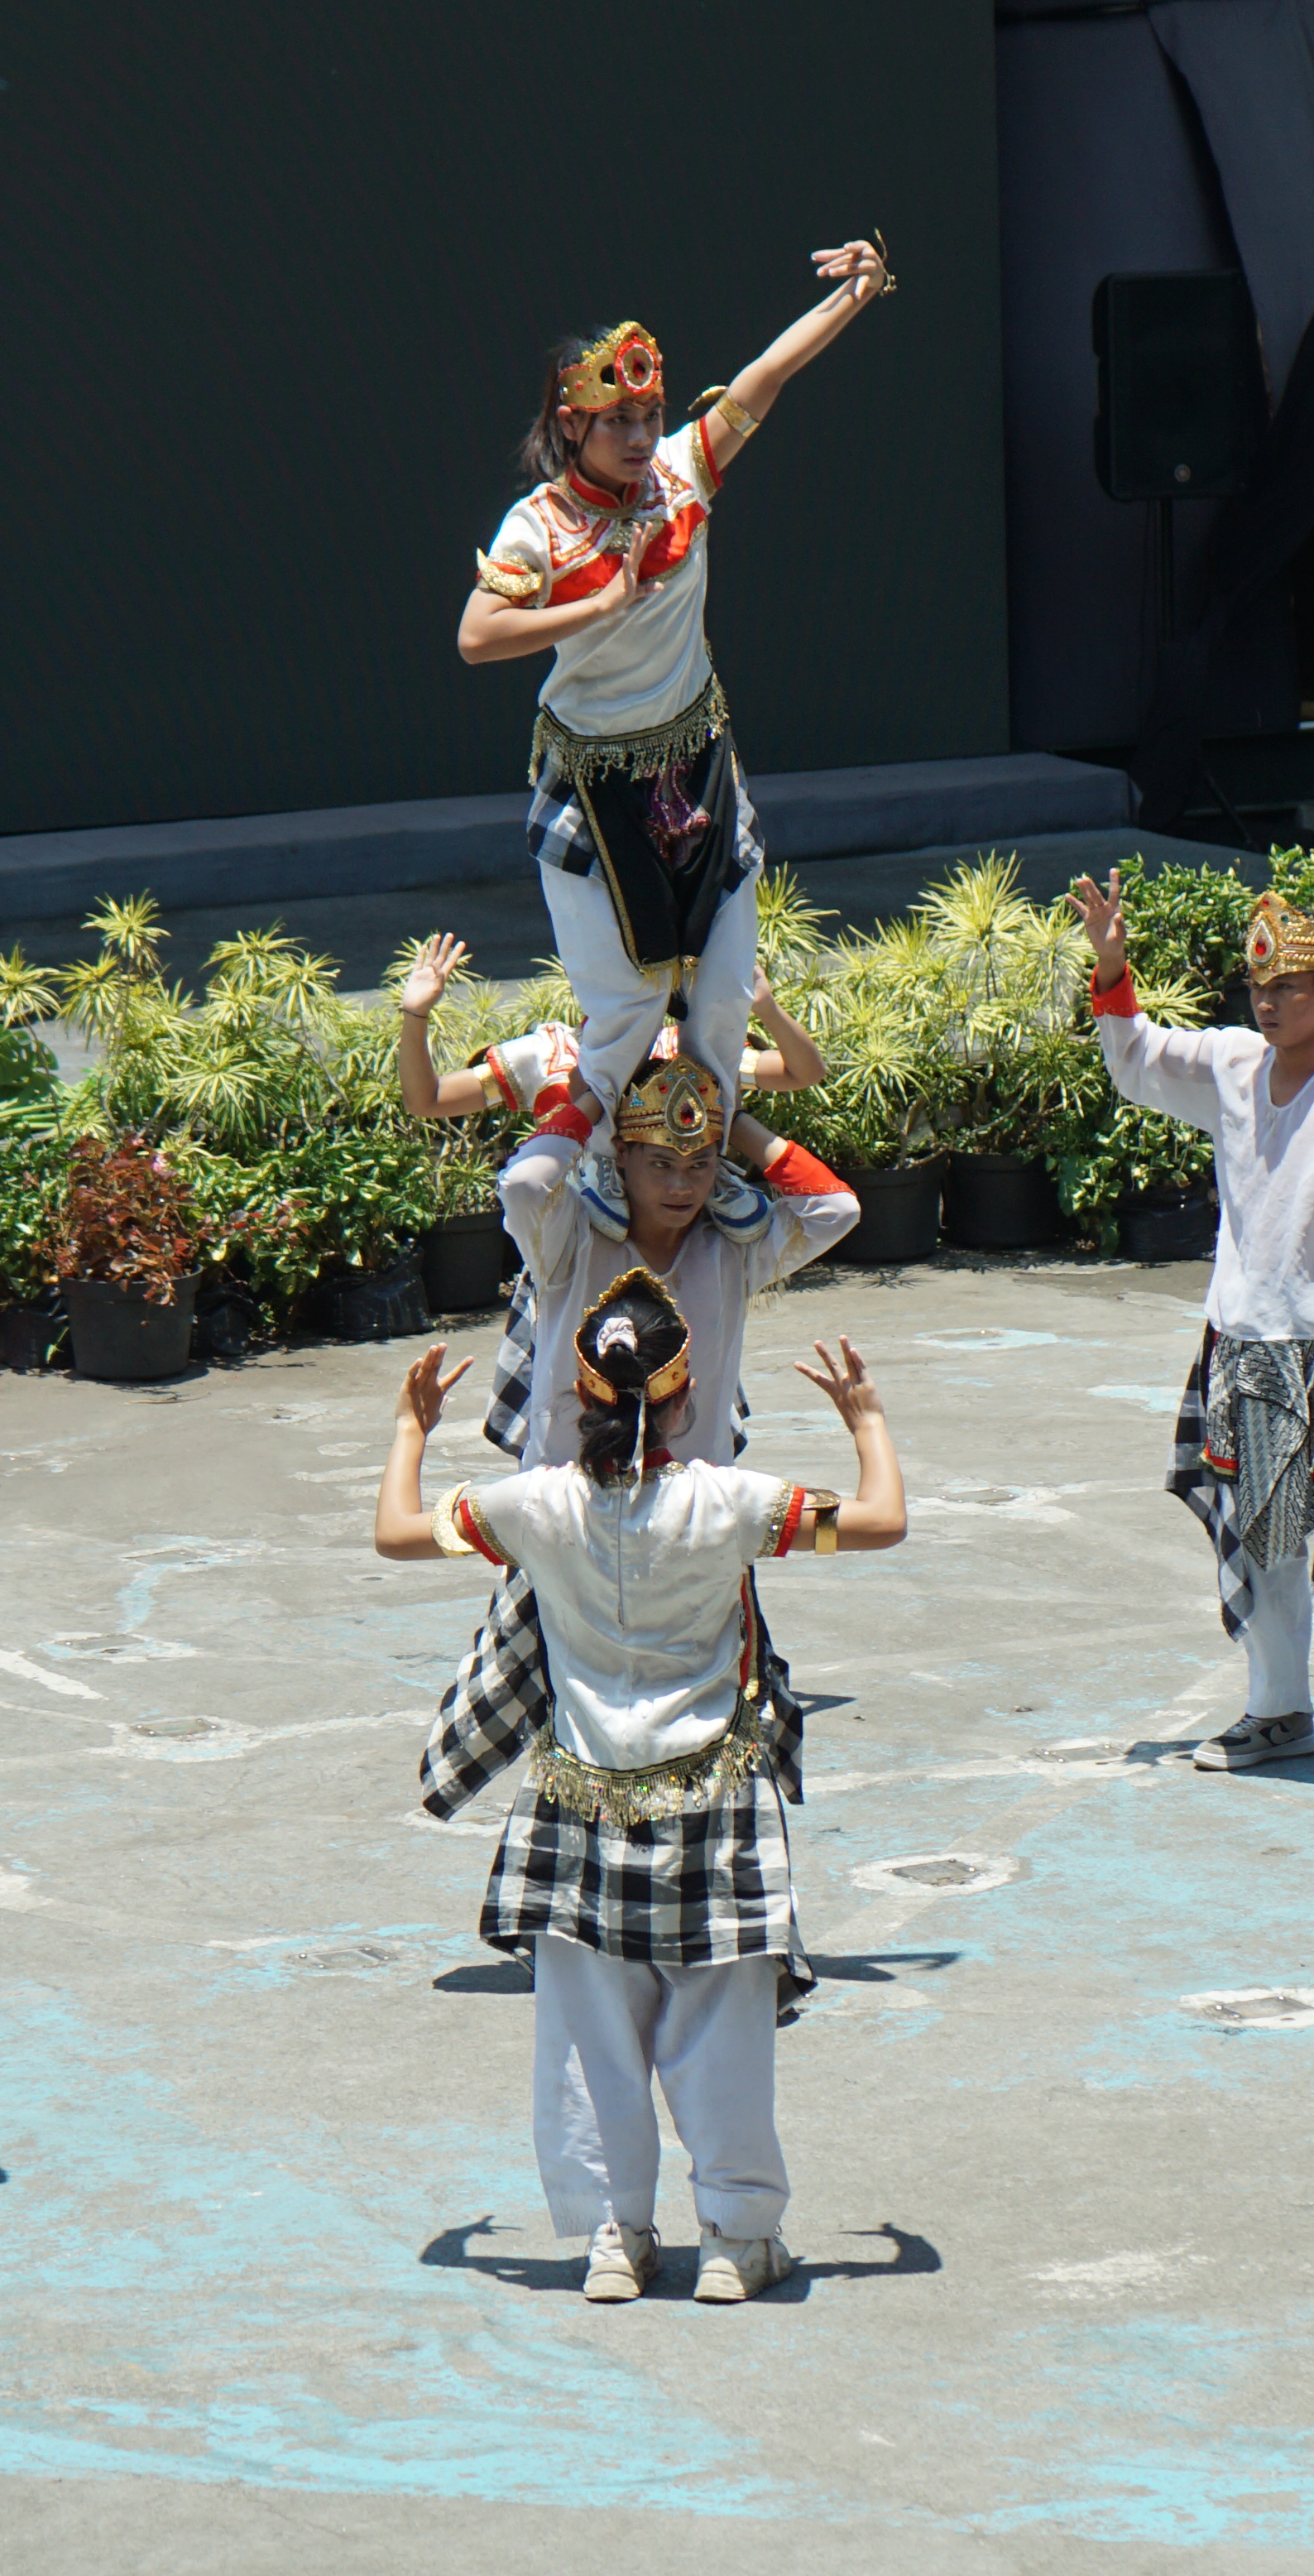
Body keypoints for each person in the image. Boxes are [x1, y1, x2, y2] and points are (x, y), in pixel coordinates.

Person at [373, 1276, 910, 2302]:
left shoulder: (535, 1508)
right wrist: (867, 1417)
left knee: (588, 2039)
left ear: (577, 1401)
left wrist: (411, 1426)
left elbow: (398, 1530)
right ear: (682, 1395)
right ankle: (733, 2240)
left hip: (579, 1804)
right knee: (723, 2035)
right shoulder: (731, 1502)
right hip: (714, 1803)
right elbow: (881, 1519)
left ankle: (617, 2238)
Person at [456, 238, 894, 1141]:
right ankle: (568, 1188)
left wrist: (862, 292)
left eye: (651, 413)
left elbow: (767, 373)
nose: (639, 435)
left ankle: (705, 1186)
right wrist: (594, 607)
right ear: (572, 424)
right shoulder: (536, 526)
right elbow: (475, 638)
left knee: (725, 997)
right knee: (622, 1014)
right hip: (588, 780)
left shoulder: (683, 473)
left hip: (696, 765)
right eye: (617, 419)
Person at [1077, 875, 1314, 1790]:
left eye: (1291, 986)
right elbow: (1133, 1058)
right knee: (1265, 1541)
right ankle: (1280, 1707)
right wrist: (1111, 961)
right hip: (1248, 1340)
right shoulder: (1231, 1064)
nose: (1271, 1001)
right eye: (1261, 987)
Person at [414, 1047, 861, 1826]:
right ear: (619, 1158)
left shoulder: (733, 1252)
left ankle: (685, 1883)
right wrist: (588, 1099)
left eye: (699, 1163)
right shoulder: (571, 1246)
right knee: (565, 1709)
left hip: (694, 1523)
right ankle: (568, 1898)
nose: (682, 1185)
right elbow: (523, 1183)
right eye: (660, 1162)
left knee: (705, 1714)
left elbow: (837, 1210)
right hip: (570, 1520)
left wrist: (739, 1120)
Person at [388, 928, 824, 1457]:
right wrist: (416, 1015)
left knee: (688, 1406)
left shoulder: (682, 1049)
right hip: (573, 1249)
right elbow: (427, 1099)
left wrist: (768, 1010)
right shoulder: (548, 1053)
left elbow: (804, 1073)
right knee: (569, 1409)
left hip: (680, 1245)